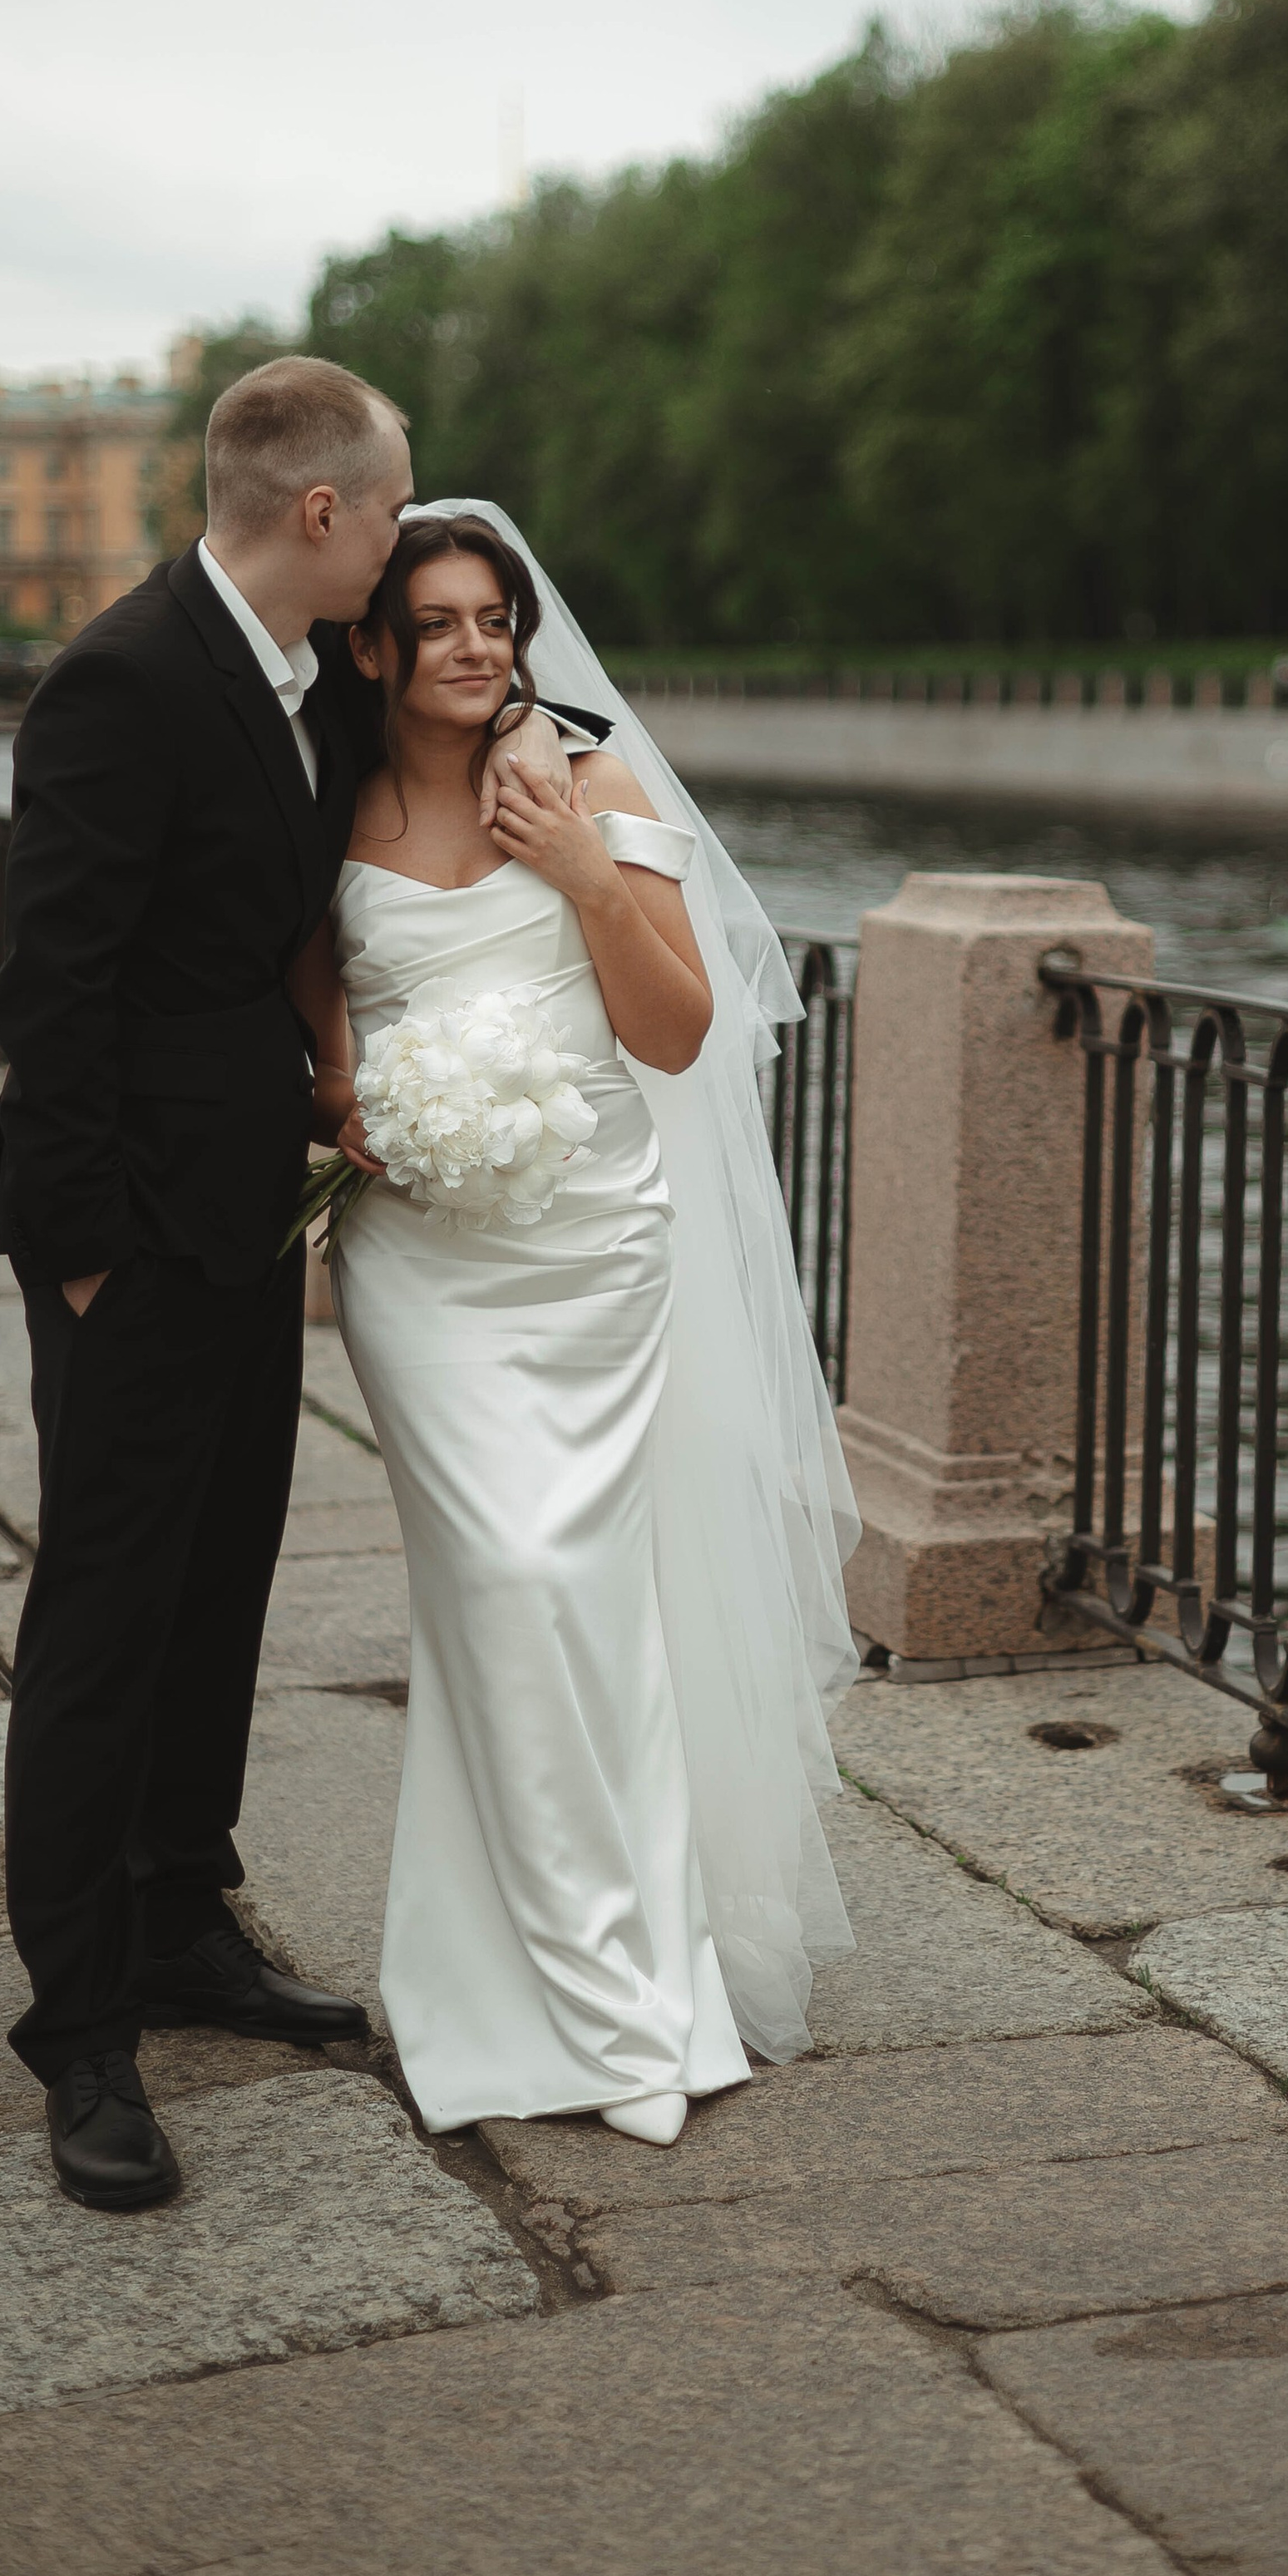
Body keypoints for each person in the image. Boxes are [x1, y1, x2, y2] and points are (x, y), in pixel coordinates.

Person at [0, 360, 602, 2213]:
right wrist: (74, 1252)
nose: (400, 544)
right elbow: (47, 985)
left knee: (222, 1572)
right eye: (390, 513)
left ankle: (179, 1916)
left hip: (252, 1212)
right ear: (323, 515)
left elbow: (302, 898)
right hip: (130, 1235)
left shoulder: (296, 675)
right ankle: (80, 2032)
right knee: (101, 1621)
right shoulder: (124, 675)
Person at [285, 509, 858, 2143]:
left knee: (584, 1611)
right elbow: (318, 1026)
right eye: (440, 622)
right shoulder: (337, 800)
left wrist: (579, 868)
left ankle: (624, 1990)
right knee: (498, 1595)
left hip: (592, 1251)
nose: (476, 649)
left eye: (498, 620)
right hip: (422, 1270)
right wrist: (348, 1108)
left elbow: (677, 1031)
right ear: (375, 644)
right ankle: (563, 2002)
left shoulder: (586, 782)